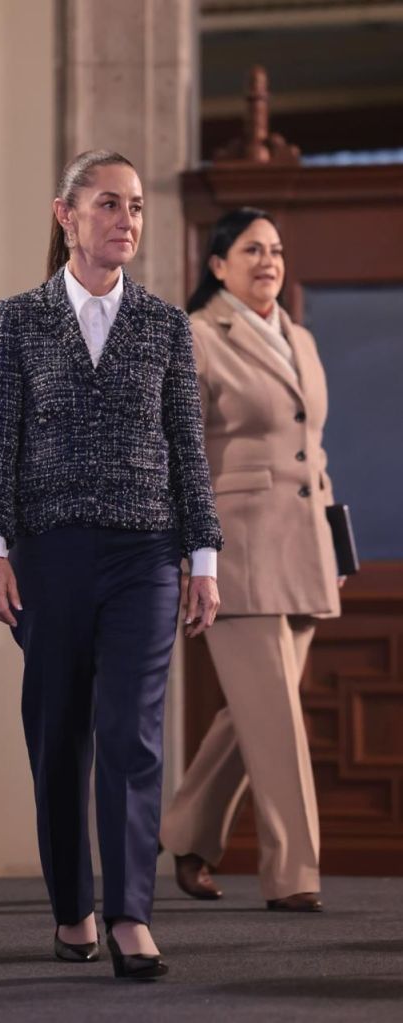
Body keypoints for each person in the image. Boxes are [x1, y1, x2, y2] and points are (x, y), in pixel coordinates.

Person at [0, 150, 222, 980]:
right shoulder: (17, 320)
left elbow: (188, 448)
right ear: (66, 214)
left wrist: (203, 556)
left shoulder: (165, 325)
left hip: (146, 554)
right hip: (47, 554)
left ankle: (129, 915)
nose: (127, 219)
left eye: (136, 206)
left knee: (131, 733)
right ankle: (72, 906)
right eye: (109, 203)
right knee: (58, 734)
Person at [160, 208, 342, 912]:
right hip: (235, 547)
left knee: (258, 713)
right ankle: (294, 874)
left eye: (276, 250)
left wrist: (335, 541)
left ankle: (187, 831)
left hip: (307, 546)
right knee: (277, 723)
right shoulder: (197, 336)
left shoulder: (301, 336)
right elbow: (178, 452)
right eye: (251, 249)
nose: (269, 261)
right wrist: (190, 550)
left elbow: (312, 451)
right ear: (217, 264)